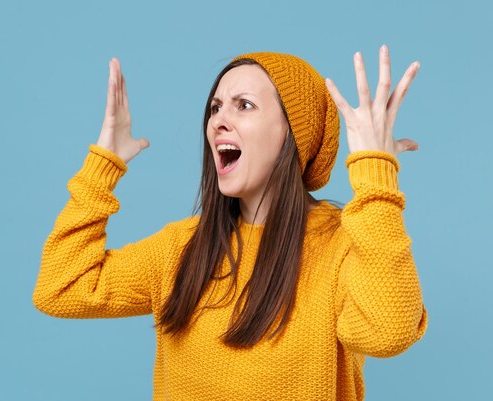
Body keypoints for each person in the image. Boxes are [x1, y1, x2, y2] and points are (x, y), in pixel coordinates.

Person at [32, 46, 428, 400]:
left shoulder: (342, 246)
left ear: (294, 133)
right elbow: (61, 287)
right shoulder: (181, 248)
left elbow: (388, 332)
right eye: (216, 107)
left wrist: (375, 176)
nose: (219, 120)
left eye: (244, 105)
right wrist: (104, 163)